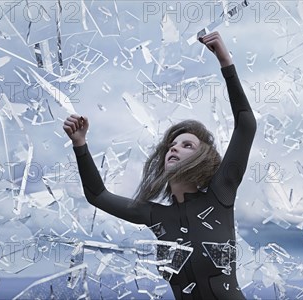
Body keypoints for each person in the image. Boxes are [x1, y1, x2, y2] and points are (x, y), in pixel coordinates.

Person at [63, 31, 256, 300]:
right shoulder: (155, 216)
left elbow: (246, 124)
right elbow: (97, 195)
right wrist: (80, 144)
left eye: (187, 145)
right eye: (172, 145)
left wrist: (225, 62)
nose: (175, 148)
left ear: (204, 160)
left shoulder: (220, 196)